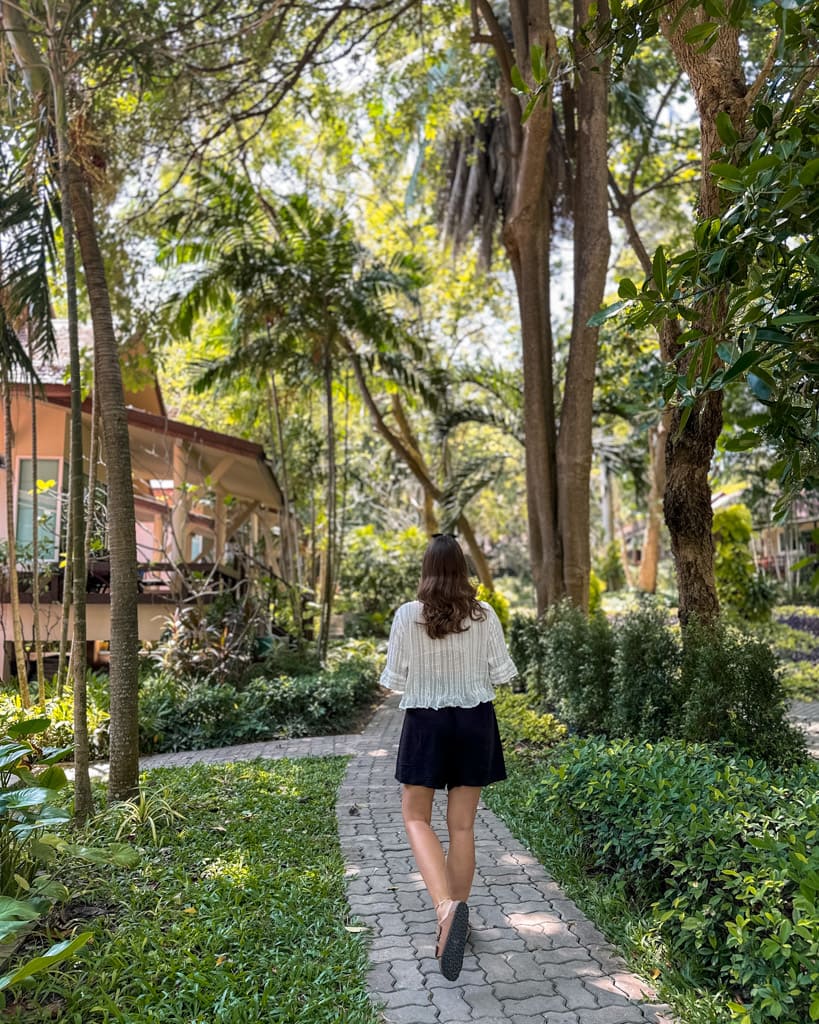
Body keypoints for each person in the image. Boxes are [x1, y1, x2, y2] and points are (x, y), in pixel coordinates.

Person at [379, 533, 517, 981]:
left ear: (427, 571)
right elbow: (502, 673)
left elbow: (395, 680)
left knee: (416, 817)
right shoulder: (485, 614)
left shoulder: (407, 615)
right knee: (462, 825)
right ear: (462, 570)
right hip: (475, 721)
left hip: (426, 721)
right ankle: (457, 918)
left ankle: (445, 909)